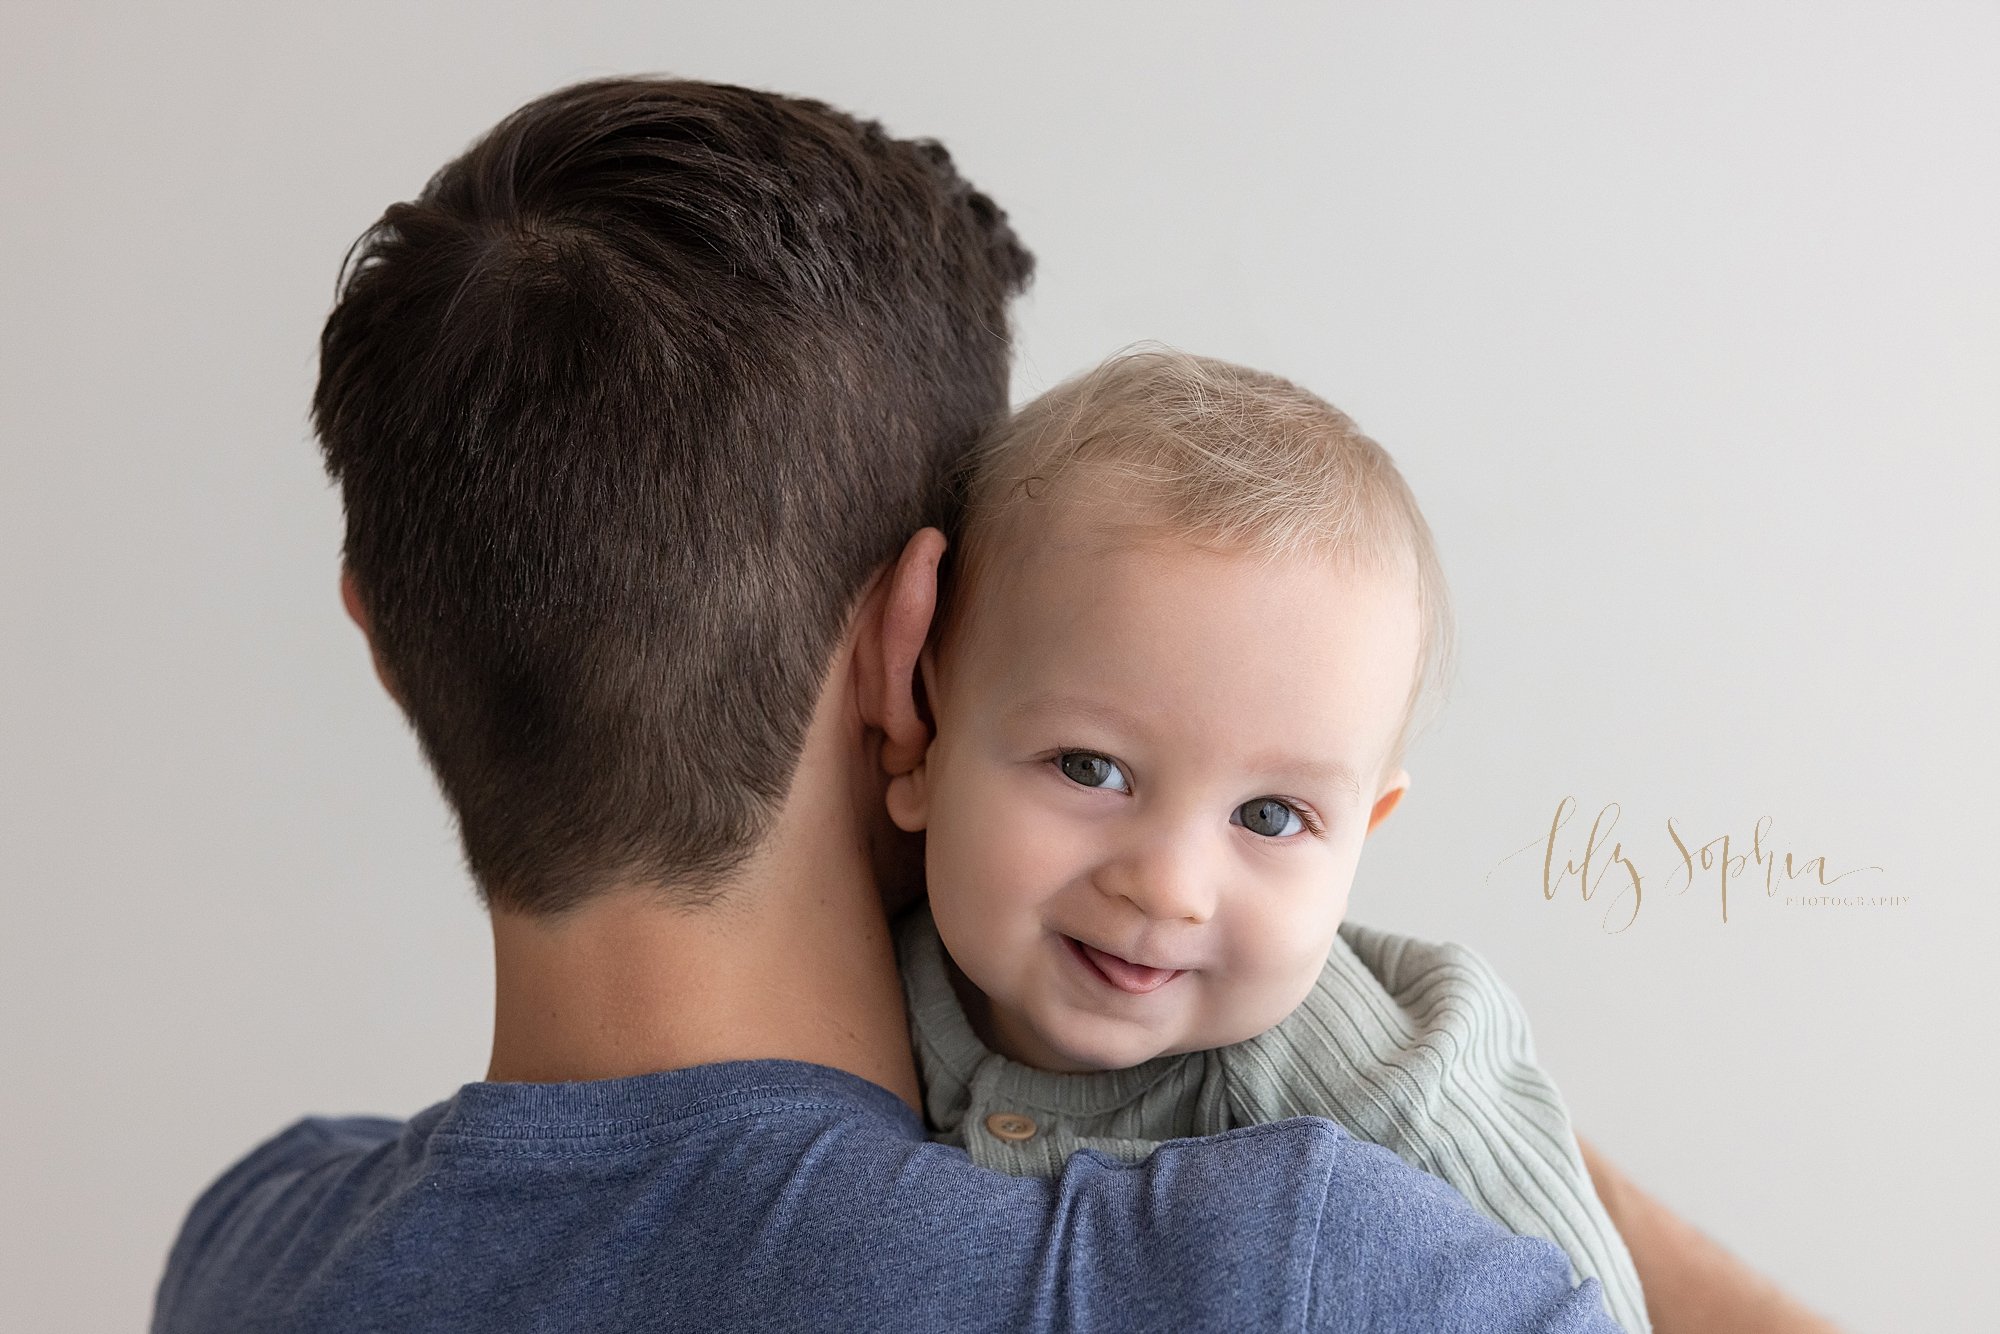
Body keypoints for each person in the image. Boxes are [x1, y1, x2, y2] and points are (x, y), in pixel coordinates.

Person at [152, 75, 1836, 1334]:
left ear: (382, 631)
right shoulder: (1314, 1266)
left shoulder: (241, 1242)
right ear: (914, 657)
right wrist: (1410, 1075)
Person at [883, 348, 1648, 1332]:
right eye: (1088, 766)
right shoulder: (843, 967)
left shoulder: (1375, 1086)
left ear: (1359, 837)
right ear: (921, 730)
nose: (1166, 886)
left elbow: (1580, 1312)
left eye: (1270, 816)